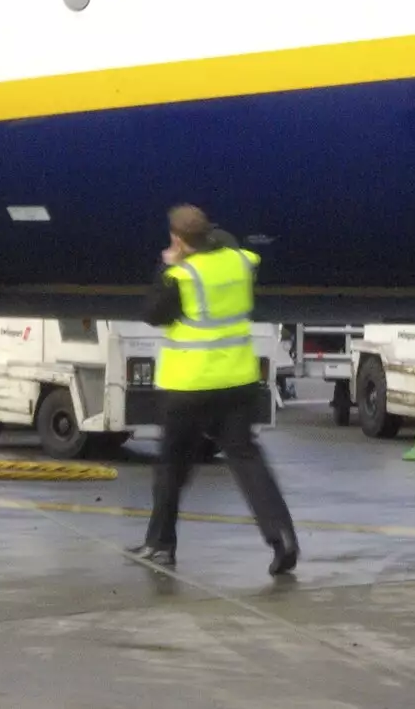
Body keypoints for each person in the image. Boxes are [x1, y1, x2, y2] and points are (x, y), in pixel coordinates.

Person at [128, 204, 299, 575]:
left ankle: (160, 545)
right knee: (246, 458)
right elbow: (229, 244)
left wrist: (165, 265)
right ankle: (281, 537)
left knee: (172, 467)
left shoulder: (180, 274)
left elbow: (153, 314)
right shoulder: (240, 262)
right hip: (237, 381)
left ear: (177, 238)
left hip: (188, 386)